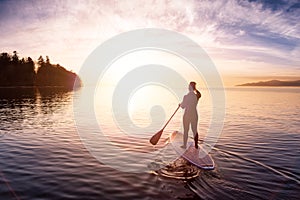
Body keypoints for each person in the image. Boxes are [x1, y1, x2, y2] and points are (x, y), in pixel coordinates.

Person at [179, 81, 201, 149]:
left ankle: (185, 145)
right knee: (195, 130)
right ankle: (196, 145)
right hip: (194, 114)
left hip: (187, 115)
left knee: (186, 130)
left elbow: (183, 106)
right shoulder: (197, 96)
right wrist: (195, 89)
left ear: (189, 87)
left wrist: (180, 105)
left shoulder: (186, 97)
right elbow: (199, 94)